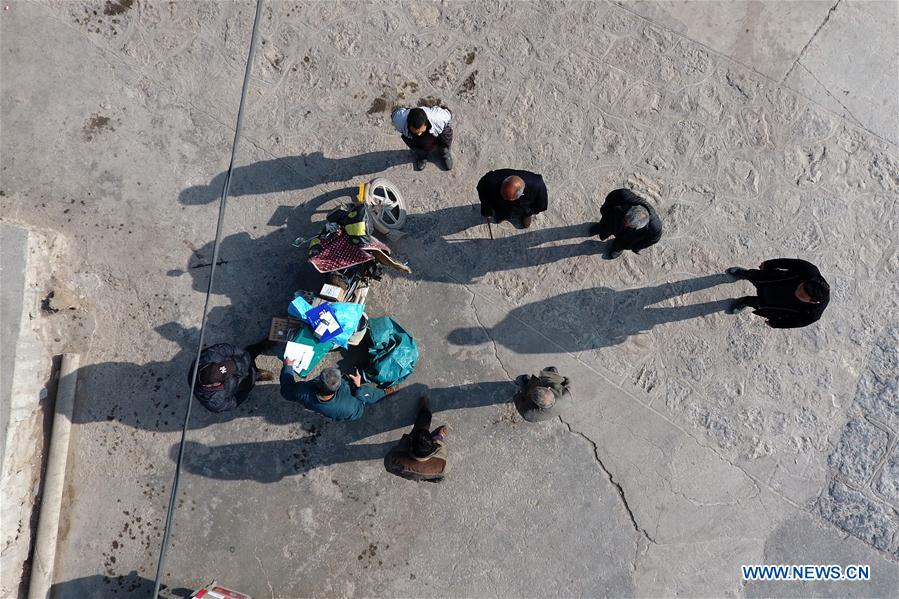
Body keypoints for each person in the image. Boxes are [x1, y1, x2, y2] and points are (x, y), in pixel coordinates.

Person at [726, 258, 830, 328]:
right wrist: (768, 264)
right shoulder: (810, 271)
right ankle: (745, 274)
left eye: (802, 295)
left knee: (756, 303)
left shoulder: (813, 314)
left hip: (774, 304)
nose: (797, 291)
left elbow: (794, 322)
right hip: (773, 281)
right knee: (755, 276)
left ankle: (745, 301)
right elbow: (788, 263)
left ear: (812, 302)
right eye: (801, 286)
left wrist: (775, 323)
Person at [279, 364, 397, 421]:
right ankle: (385, 393)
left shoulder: (302, 392)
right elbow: (359, 410)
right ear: (338, 387)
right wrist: (358, 386)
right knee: (367, 393)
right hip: (355, 397)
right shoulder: (349, 408)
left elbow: (286, 391)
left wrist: (287, 366)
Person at [187, 340, 275, 413]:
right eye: (226, 375)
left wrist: (243, 354)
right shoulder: (214, 402)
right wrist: (245, 393)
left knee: (251, 352)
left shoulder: (210, 355)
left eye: (227, 367)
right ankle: (256, 375)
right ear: (214, 385)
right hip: (240, 384)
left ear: (212, 364)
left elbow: (227, 349)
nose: (231, 369)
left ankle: (261, 346)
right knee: (250, 380)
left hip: (242, 361)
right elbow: (233, 403)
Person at [384, 396, 449, 482]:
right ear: (433, 450)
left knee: (422, 423)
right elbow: (441, 448)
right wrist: (439, 438)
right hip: (430, 474)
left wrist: (405, 443)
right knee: (438, 477)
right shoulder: (442, 465)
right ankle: (438, 434)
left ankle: (424, 410)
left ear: (410, 447)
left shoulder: (394, 459)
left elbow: (388, 464)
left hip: (408, 472)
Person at [588, 188, 662, 259]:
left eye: (630, 225)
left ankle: (617, 247)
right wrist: (605, 213)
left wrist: (635, 246)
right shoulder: (624, 196)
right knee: (607, 225)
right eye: (625, 220)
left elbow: (652, 240)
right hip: (616, 219)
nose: (625, 225)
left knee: (623, 242)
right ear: (630, 210)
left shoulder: (654, 228)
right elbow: (610, 198)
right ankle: (602, 227)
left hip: (629, 235)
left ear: (640, 226)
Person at [477, 169, 548, 229]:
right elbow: (481, 188)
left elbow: (541, 205)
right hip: (500, 206)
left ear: (521, 194)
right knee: (500, 213)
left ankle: (525, 216)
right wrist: (486, 208)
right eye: (503, 194)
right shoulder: (491, 179)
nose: (504, 198)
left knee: (525, 213)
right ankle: (502, 216)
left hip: (523, 208)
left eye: (507, 198)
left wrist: (529, 211)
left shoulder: (537, 184)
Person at [391, 105, 454, 171]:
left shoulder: (439, 117)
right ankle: (422, 156)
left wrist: (446, 146)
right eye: (415, 131)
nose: (419, 134)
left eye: (420, 131)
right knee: (415, 146)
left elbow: (448, 115)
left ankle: (445, 153)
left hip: (435, 133)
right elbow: (395, 113)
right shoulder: (399, 120)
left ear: (426, 123)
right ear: (408, 125)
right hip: (414, 139)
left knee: (446, 139)